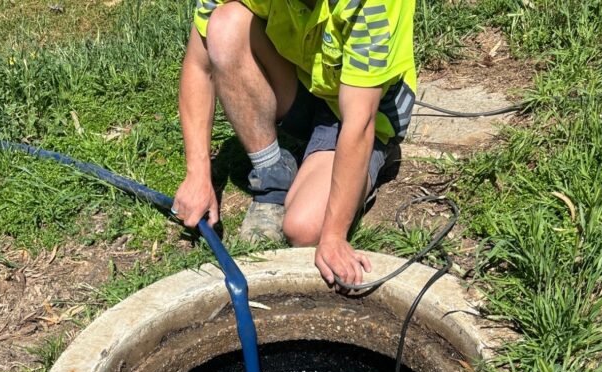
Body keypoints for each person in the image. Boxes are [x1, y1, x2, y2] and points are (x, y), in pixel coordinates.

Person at [171, 0, 417, 288]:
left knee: (305, 229)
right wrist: (198, 175)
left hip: (362, 107)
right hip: (305, 75)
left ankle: (374, 157)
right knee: (226, 25)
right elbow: (199, 65)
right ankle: (273, 174)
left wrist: (334, 235)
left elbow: (359, 122)